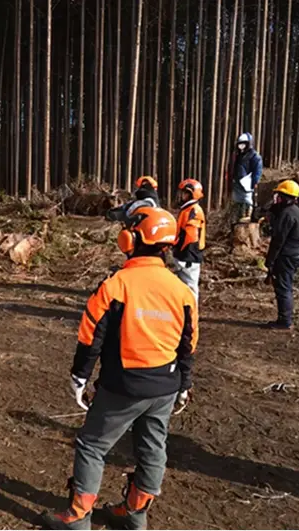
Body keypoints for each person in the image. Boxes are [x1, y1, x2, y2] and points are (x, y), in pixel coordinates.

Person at [41, 207, 198, 530]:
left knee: (91, 445)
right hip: (165, 385)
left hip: (123, 385)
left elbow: (90, 336)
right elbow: (189, 342)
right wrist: (185, 382)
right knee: (153, 447)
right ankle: (135, 513)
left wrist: (80, 375)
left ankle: (78, 516)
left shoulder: (117, 285)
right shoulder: (182, 291)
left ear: (130, 239)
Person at [264, 180, 299, 330]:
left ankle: (285, 321)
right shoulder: (297, 212)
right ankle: (285, 318)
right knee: (286, 285)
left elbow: (278, 240)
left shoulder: (287, 214)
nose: (276, 199)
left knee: (283, 287)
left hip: (287, 255)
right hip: (297, 253)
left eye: (279, 196)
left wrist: (270, 260)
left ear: (284, 197)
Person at [172, 179, 206, 301]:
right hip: (186, 254)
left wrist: (180, 252)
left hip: (188, 256)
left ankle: (191, 317)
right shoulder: (188, 209)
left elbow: (191, 237)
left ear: (191, 194)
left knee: (190, 288)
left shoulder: (194, 210)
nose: (181, 196)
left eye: (184, 193)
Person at [231, 133, 264, 223]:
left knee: (247, 200)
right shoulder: (238, 156)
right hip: (237, 182)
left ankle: (247, 215)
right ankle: (238, 216)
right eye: (240, 144)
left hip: (247, 182)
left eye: (244, 143)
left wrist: (254, 182)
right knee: (238, 201)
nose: (241, 146)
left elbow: (257, 171)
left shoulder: (255, 156)